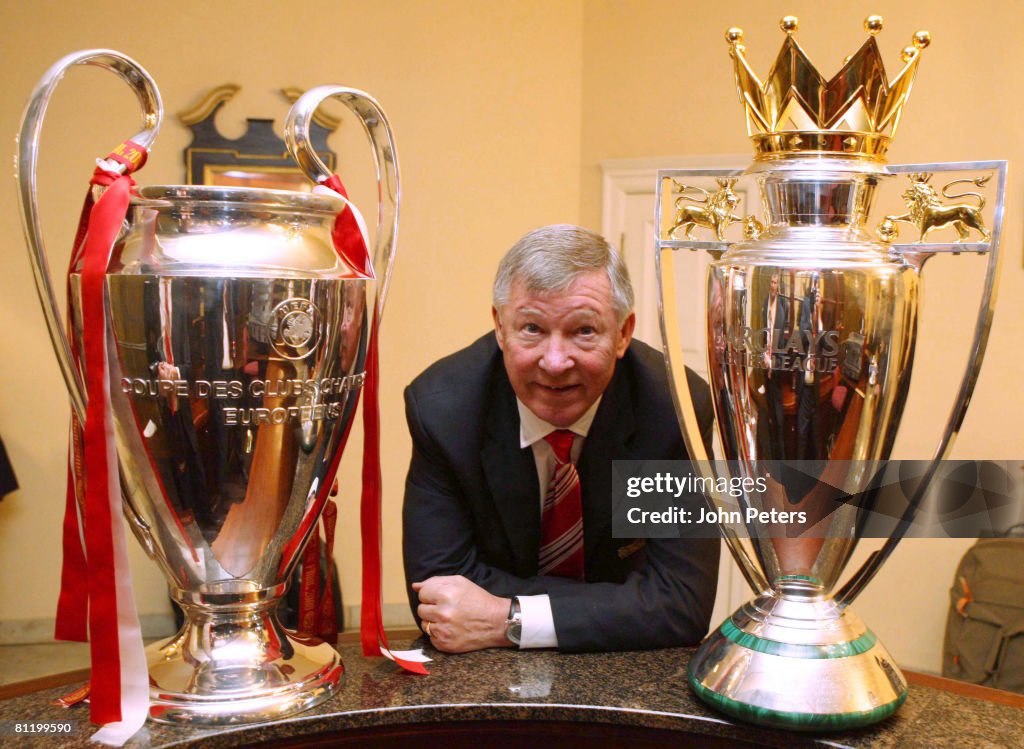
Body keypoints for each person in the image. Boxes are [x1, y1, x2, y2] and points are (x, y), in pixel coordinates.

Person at [402, 224, 719, 654]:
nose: (554, 362)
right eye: (531, 328)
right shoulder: (444, 410)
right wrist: (620, 603)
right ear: (500, 327)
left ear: (623, 333)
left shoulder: (671, 409)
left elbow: (680, 603)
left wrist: (508, 618)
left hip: (623, 674)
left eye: (583, 331)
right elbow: (440, 597)